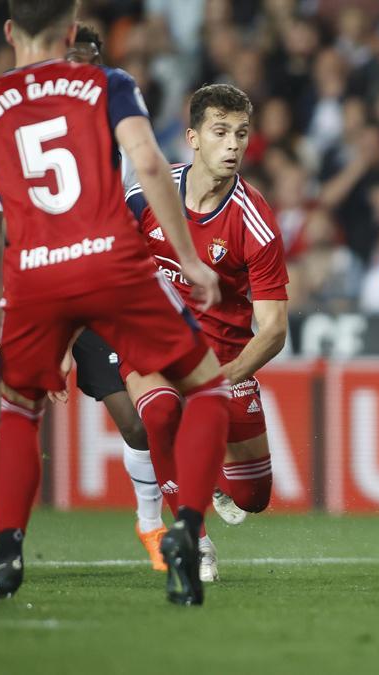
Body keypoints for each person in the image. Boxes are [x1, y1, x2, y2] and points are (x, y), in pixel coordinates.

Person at [0, 0, 228, 605]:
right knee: (204, 387)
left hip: (33, 278)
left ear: (12, 32)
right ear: (70, 32)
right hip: (110, 262)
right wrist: (190, 257)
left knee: (18, 408)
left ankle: (8, 556)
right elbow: (149, 162)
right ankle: (187, 529)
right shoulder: (108, 83)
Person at [122, 84, 289, 583]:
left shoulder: (254, 220)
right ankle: (194, 538)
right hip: (154, 343)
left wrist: (224, 377)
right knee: (161, 412)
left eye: (241, 133)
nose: (233, 144)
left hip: (225, 360)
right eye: (220, 132)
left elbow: (276, 329)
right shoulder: (145, 196)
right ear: (193, 137)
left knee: (252, 498)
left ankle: (211, 475)